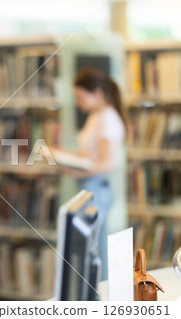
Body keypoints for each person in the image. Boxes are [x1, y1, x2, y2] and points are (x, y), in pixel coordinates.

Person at [61, 68, 126, 281]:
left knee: (92, 247)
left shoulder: (108, 117)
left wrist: (76, 170)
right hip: (89, 185)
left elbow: (107, 163)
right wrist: (63, 156)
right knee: (88, 244)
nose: (78, 102)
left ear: (97, 93)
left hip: (97, 187)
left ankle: (97, 296)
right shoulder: (96, 116)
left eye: (81, 96)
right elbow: (89, 155)